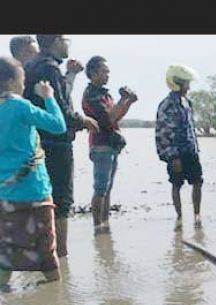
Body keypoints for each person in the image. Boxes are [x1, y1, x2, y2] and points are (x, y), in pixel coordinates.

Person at [23, 34, 99, 257]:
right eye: (66, 40)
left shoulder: (32, 66)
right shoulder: (49, 68)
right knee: (61, 201)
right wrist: (82, 120)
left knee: (40, 199)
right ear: (56, 40)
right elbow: (61, 109)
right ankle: (61, 257)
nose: (68, 45)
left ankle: (39, 255)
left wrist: (71, 74)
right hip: (56, 143)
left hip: (35, 142)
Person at [0, 57, 66, 285]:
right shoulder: (20, 106)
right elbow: (59, 125)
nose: (24, 84)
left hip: (4, 194)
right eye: (22, 79)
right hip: (34, 190)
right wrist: (49, 97)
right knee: (46, 248)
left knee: (5, 250)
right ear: (10, 80)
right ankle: (56, 300)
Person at [81, 56, 138, 234]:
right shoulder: (91, 94)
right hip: (100, 145)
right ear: (93, 73)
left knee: (107, 188)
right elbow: (108, 117)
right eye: (104, 71)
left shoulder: (105, 94)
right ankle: (98, 228)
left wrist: (128, 102)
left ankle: (104, 226)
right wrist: (123, 99)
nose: (107, 75)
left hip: (110, 144)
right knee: (101, 188)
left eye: (108, 72)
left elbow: (117, 116)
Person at [156, 64, 203, 231]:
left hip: (191, 150)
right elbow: (163, 133)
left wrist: (196, 148)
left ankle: (197, 215)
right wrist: (172, 156)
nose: (188, 87)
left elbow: (190, 128)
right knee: (176, 184)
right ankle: (180, 217)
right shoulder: (166, 104)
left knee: (197, 182)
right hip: (176, 153)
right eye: (186, 83)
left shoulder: (187, 102)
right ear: (177, 82)